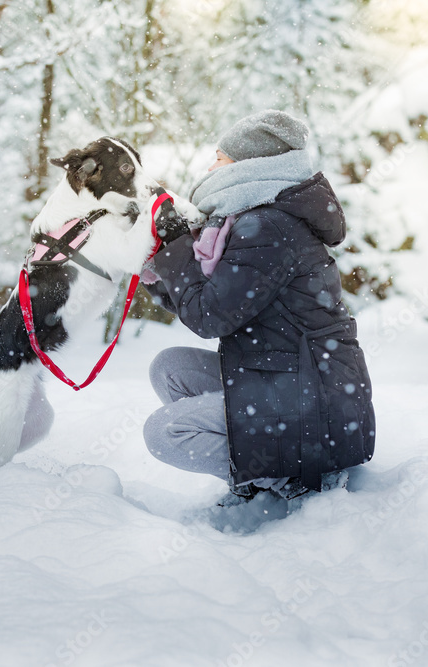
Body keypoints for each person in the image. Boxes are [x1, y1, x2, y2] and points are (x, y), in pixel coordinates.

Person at [141, 109, 375, 503]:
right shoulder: (252, 219)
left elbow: (209, 316)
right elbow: (203, 298)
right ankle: (261, 470)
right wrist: (163, 261)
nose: (210, 166)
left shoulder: (268, 228)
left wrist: (176, 250)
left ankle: (285, 479)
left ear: (248, 165)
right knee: (170, 369)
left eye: (219, 157)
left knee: (165, 432)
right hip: (287, 380)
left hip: (318, 407)